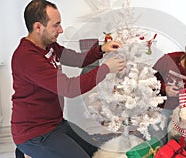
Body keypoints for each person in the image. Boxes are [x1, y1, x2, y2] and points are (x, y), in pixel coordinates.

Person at [11, 0, 126, 158]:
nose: (61, 29)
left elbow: (77, 59)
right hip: (35, 133)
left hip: (56, 124)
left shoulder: (50, 46)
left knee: (94, 149)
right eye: (56, 25)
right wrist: (105, 69)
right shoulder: (26, 57)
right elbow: (69, 88)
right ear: (38, 27)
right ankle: (28, 151)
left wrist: (101, 49)